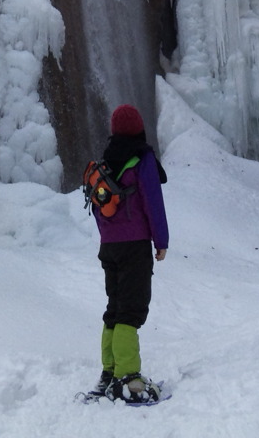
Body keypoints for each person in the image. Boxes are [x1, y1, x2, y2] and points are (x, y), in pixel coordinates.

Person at [89, 103, 169, 403]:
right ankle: (129, 378)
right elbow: (153, 202)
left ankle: (108, 372)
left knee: (115, 307)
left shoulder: (106, 161)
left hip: (109, 247)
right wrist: (161, 241)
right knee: (131, 311)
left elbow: (99, 210)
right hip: (135, 245)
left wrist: (109, 239)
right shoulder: (142, 159)